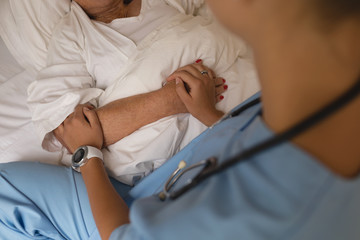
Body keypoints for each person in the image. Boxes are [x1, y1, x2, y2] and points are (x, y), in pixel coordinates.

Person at [1, 0, 360, 239]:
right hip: (208, 140)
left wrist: (88, 155)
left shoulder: (244, 214)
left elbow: (123, 233)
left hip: (140, 195)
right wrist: (206, 114)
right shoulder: (289, 106)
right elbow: (63, 123)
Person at [27, 0, 255, 184]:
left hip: (249, 106)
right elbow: (72, 132)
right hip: (182, 163)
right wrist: (170, 99)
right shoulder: (71, 34)